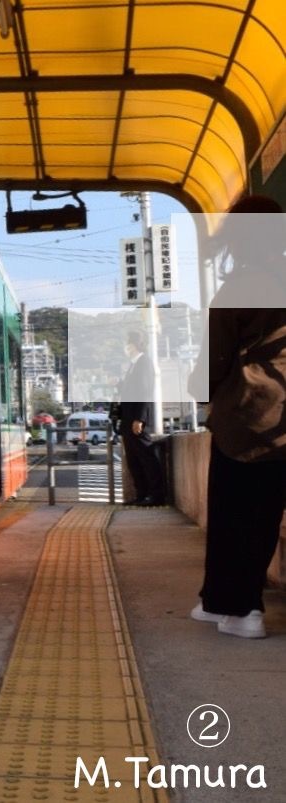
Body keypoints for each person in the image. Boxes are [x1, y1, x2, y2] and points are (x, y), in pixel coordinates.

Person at [191, 194, 286, 639]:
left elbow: (215, 358)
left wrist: (200, 389)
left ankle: (243, 611)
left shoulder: (242, 285)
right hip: (281, 423)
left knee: (233, 515)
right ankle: (218, 602)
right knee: (264, 516)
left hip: (248, 418)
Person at [117, 330, 167, 506]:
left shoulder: (144, 363)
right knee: (133, 459)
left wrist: (139, 419)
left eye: (128, 342)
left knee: (147, 457)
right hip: (128, 419)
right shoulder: (133, 365)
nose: (126, 346)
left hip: (137, 420)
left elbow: (145, 392)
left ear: (135, 344)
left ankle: (157, 496)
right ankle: (141, 494)